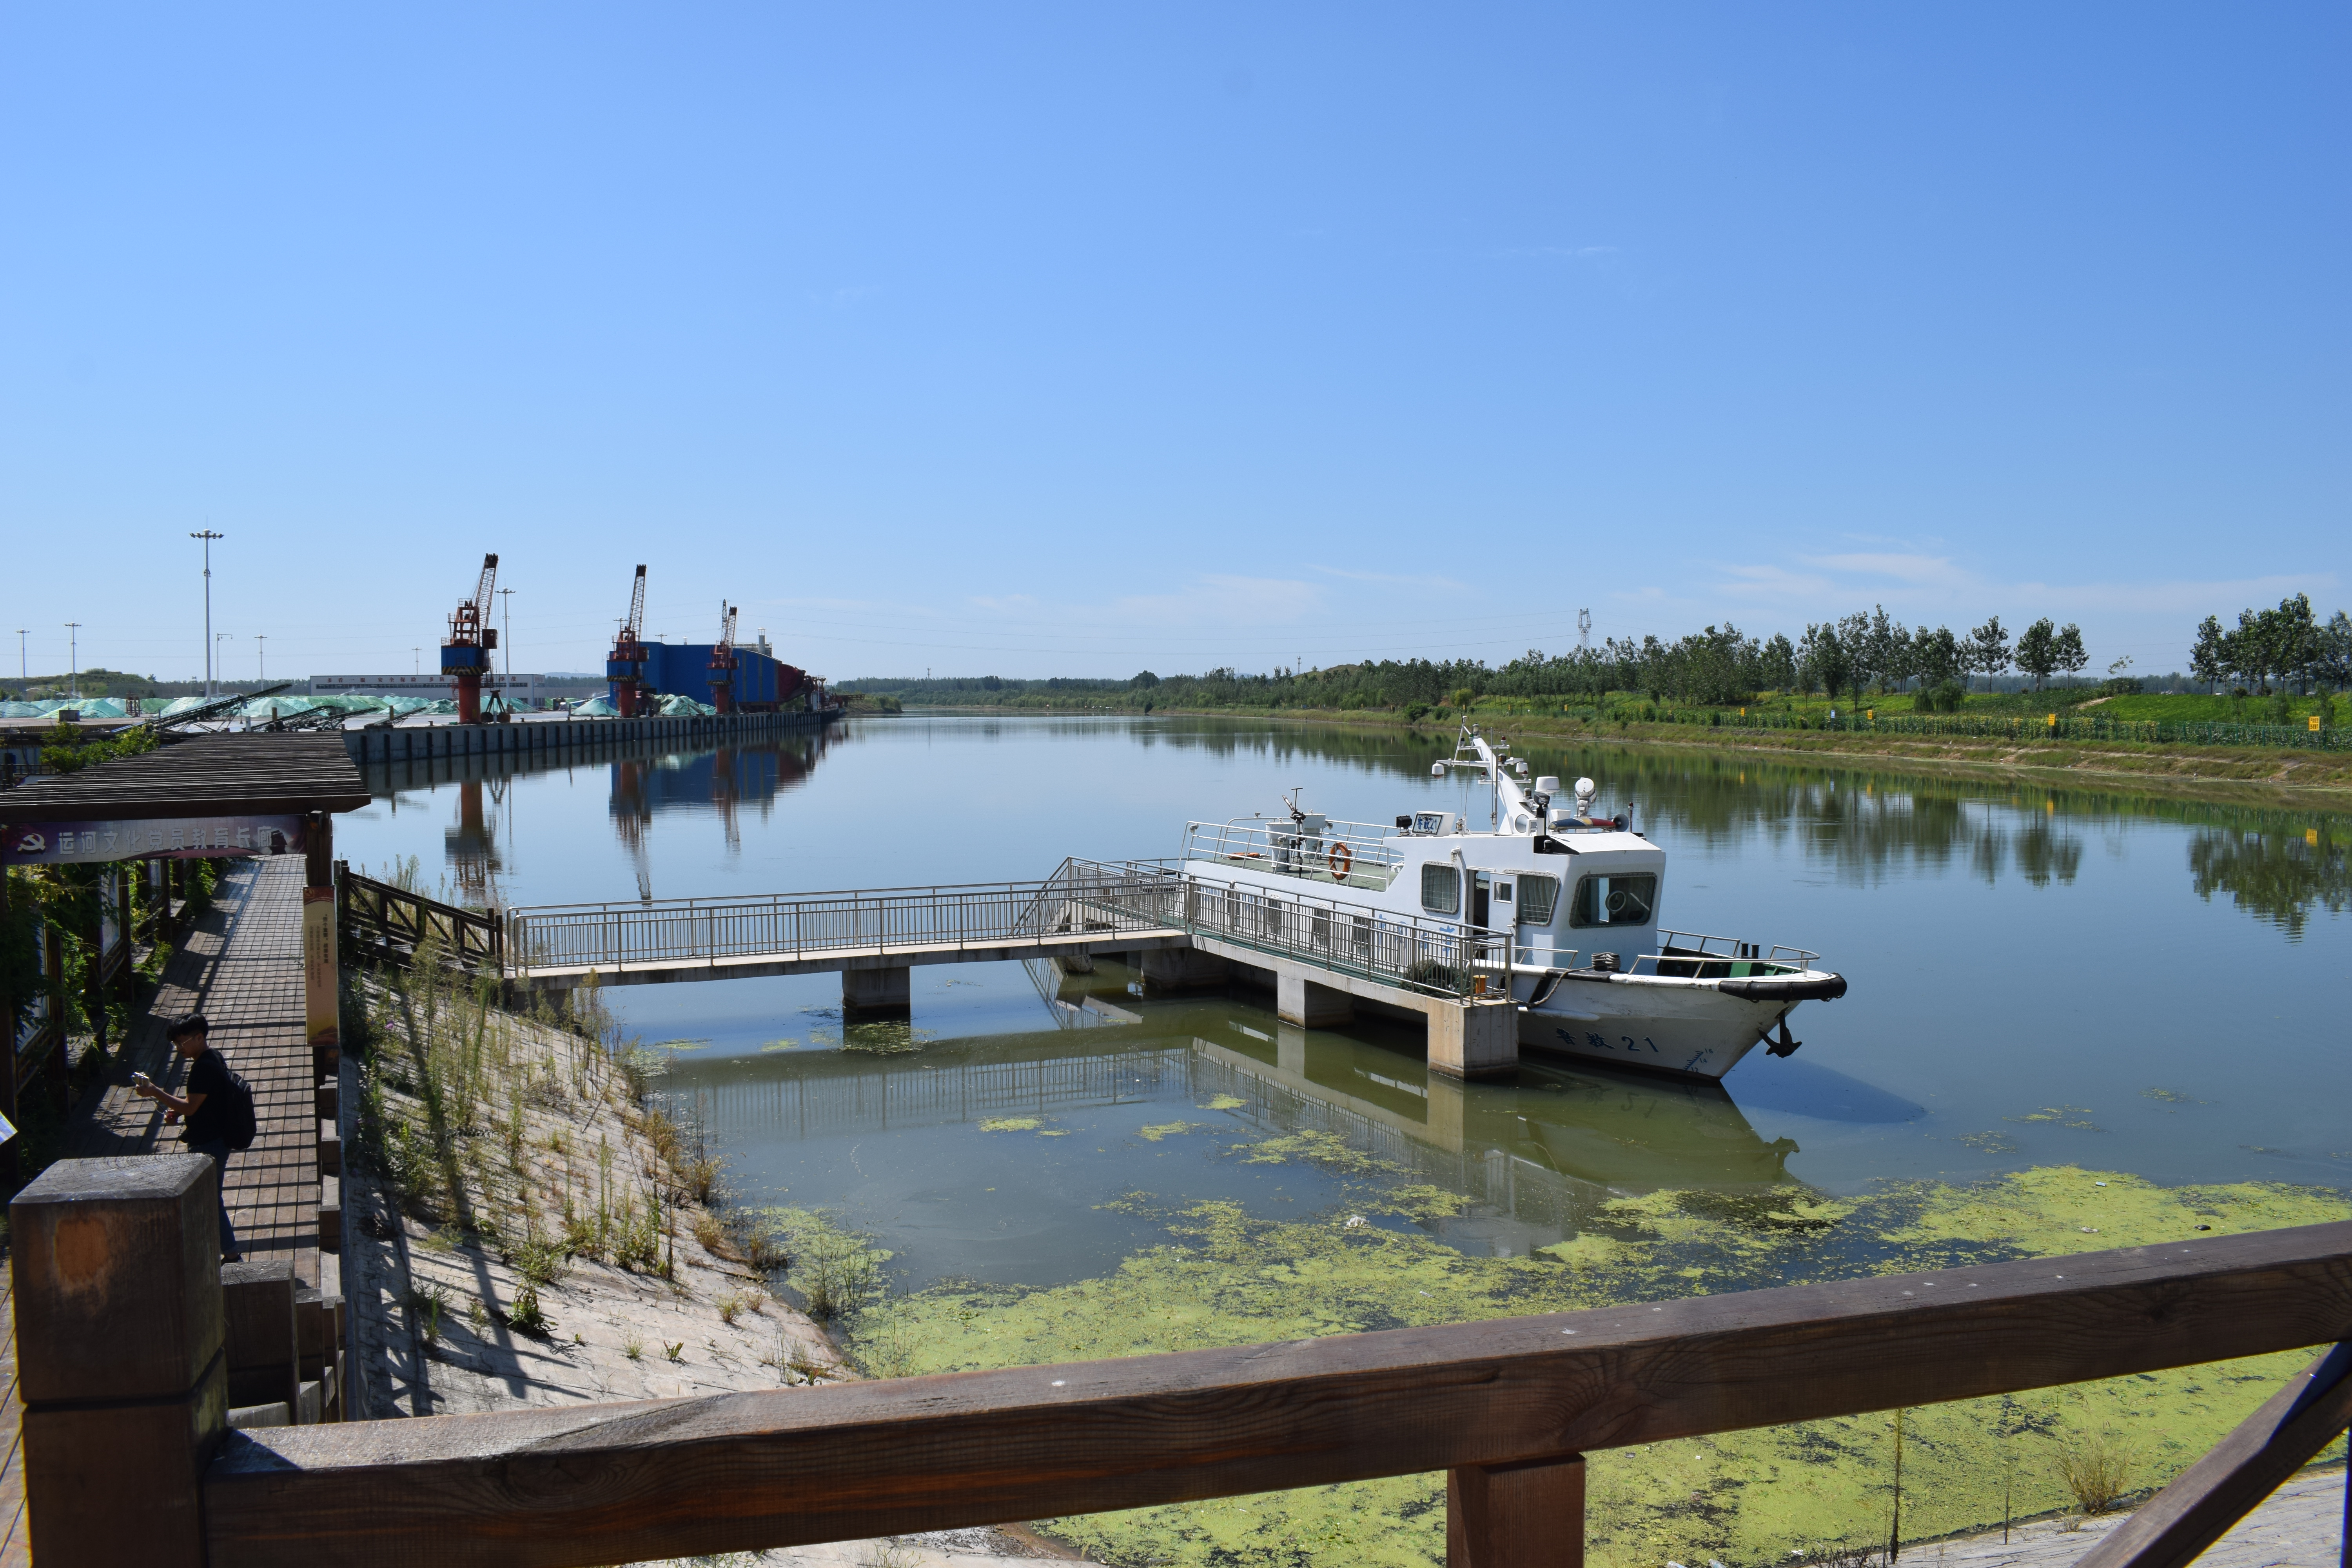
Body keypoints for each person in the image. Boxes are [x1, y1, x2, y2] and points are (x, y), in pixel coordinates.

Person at [132, 1013, 242, 1262]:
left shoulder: (202, 1068)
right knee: (209, 1196)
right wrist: (179, 1111)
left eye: (182, 1042)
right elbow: (199, 1105)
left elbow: (191, 1107)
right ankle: (224, 1249)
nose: (179, 1048)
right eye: (176, 1044)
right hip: (218, 1137)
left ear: (199, 1037)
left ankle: (230, 1252)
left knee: (208, 1198)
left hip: (209, 1142)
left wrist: (154, 1092)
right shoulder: (213, 1057)